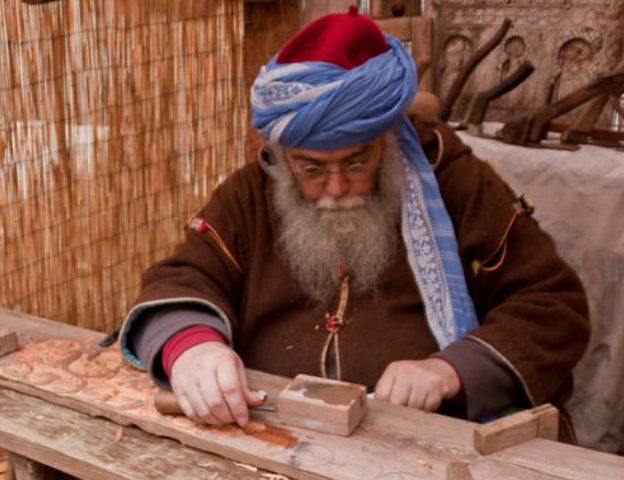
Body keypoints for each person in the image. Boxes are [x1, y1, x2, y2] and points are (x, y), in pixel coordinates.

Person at [118, 6, 590, 441]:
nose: (337, 187)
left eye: (357, 161)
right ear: (283, 155)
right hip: (267, 438)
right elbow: (182, 277)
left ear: (387, 137)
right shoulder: (252, 192)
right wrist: (192, 349)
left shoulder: (452, 181)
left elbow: (551, 305)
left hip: (416, 445)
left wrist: (451, 371)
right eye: (311, 169)